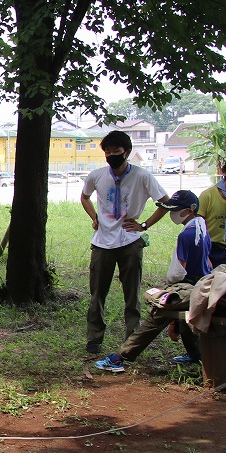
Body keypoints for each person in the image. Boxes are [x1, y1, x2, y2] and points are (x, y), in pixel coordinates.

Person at [95, 190, 214, 372]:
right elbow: (209, 262)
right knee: (183, 318)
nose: (172, 213)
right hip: (200, 286)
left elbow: (177, 272)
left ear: (190, 210)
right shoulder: (203, 229)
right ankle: (195, 354)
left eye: (176, 210)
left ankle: (120, 357)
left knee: (156, 316)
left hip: (186, 287)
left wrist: (168, 287)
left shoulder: (186, 235)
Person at [79, 130, 169, 355]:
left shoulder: (142, 176)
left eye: (116, 151)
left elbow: (165, 202)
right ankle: (94, 338)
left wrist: (144, 225)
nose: (111, 155)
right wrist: (94, 217)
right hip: (102, 243)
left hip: (130, 241)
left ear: (127, 152)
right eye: (107, 151)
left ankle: (132, 341)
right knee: (97, 294)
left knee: (132, 294)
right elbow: (85, 197)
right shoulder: (97, 175)